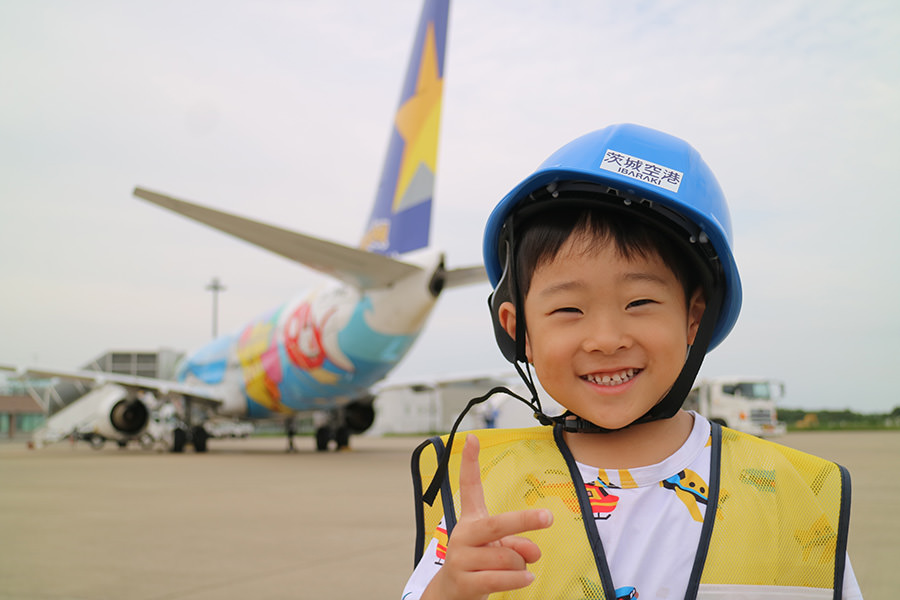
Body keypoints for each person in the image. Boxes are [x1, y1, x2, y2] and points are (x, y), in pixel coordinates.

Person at [403, 124, 862, 600]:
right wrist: (448, 590)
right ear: (518, 331)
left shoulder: (793, 496)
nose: (605, 339)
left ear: (693, 318)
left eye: (639, 302)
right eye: (568, 310)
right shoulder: (486, 499)